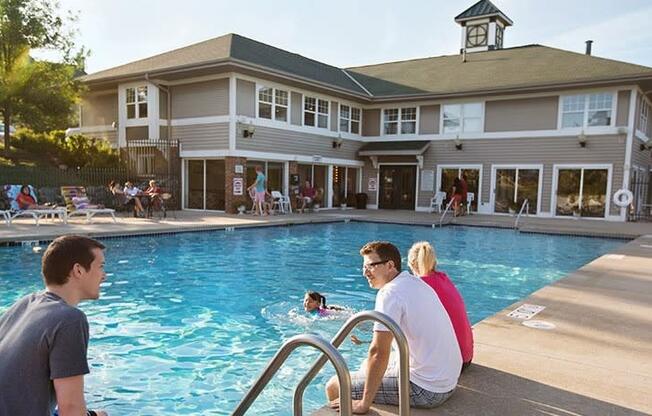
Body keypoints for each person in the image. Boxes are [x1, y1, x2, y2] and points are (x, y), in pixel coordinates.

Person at [327, 241, 461, 413]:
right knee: (364, 366)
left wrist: (364, 403)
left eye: (370, 266)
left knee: (335, 385)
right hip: (447, 380)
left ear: (390, 265)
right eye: (364, 267)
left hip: (427, 389)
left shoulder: (389, 292)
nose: (364, 272)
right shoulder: (416, 283)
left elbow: (378, 352)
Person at [0, 235, 109, 416]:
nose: (104, 276)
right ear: (78, 271)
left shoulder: (24, 304)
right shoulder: (70, 320)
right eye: (101, 267)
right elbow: (70, 411)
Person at [408, 241, 474, 371]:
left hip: (451, 363)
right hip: (466, 357)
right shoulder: (443, 278)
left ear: (411, 265)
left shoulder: (420, 286)